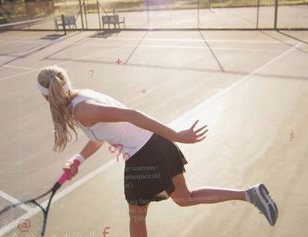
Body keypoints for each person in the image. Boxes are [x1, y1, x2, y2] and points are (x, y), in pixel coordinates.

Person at [36, 65, 278, 237]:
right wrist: (78, 159)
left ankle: (249, 194)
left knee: (136, 216)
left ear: (46, 98)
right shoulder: (82, 99)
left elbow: (132, 115)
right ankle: (250, 194)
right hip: (155, 145)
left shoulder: (82, 110)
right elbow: (103, 136)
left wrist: (177, 135)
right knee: (185, 198)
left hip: (144, 156)